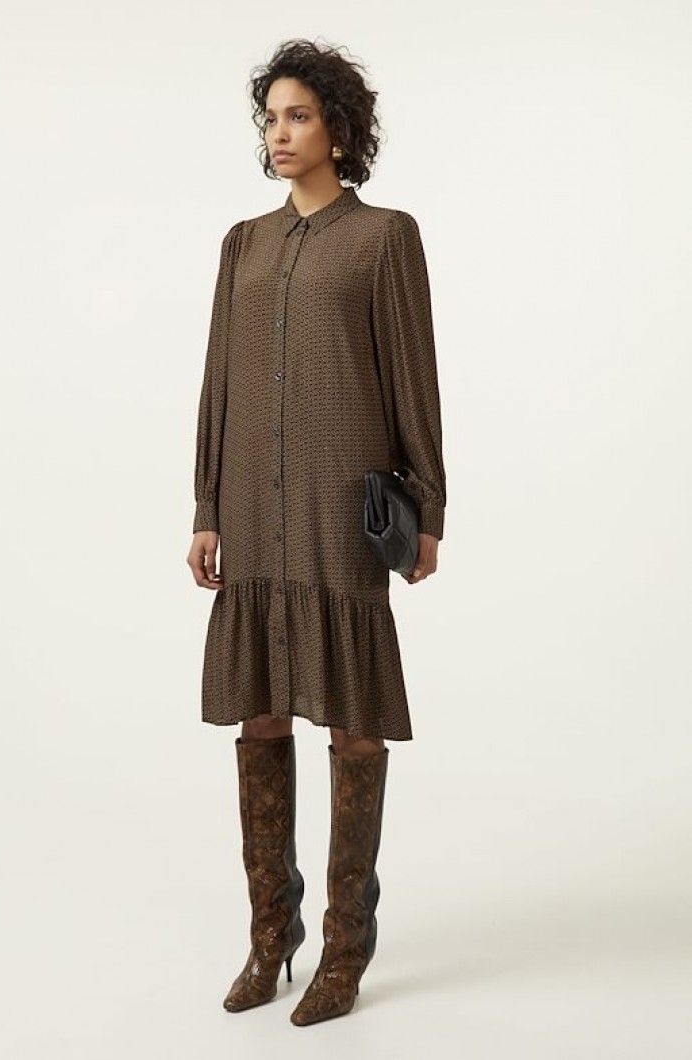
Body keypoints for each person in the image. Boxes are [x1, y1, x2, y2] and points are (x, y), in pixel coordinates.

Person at [186, 38, 446, 1026]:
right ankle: (272, 935)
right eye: (271, 118)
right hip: (255, 509)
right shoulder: (242, 244)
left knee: (351, 720)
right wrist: (207, 507)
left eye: (298, 115)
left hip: (342, 507)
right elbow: (218, 383)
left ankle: (345, 947)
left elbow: (412, 374)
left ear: (337, 126)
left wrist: (428, 507)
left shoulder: (384, 237)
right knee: (258, 716)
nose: (279, 133)